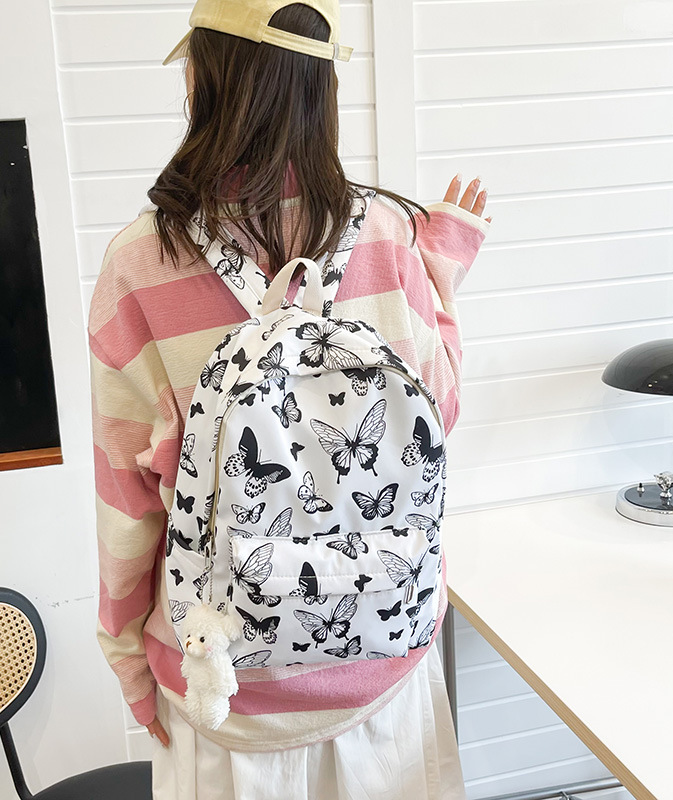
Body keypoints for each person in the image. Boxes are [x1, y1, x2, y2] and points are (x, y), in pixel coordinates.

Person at [88, 2, 491, 798]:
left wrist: (130, 661)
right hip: (385, 664)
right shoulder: (386, 232)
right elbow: (436, 415)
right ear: (322, 88)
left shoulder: (139, 264)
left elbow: (125, 505)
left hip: (224, 691)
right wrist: (439, 278)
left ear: (204, 79)